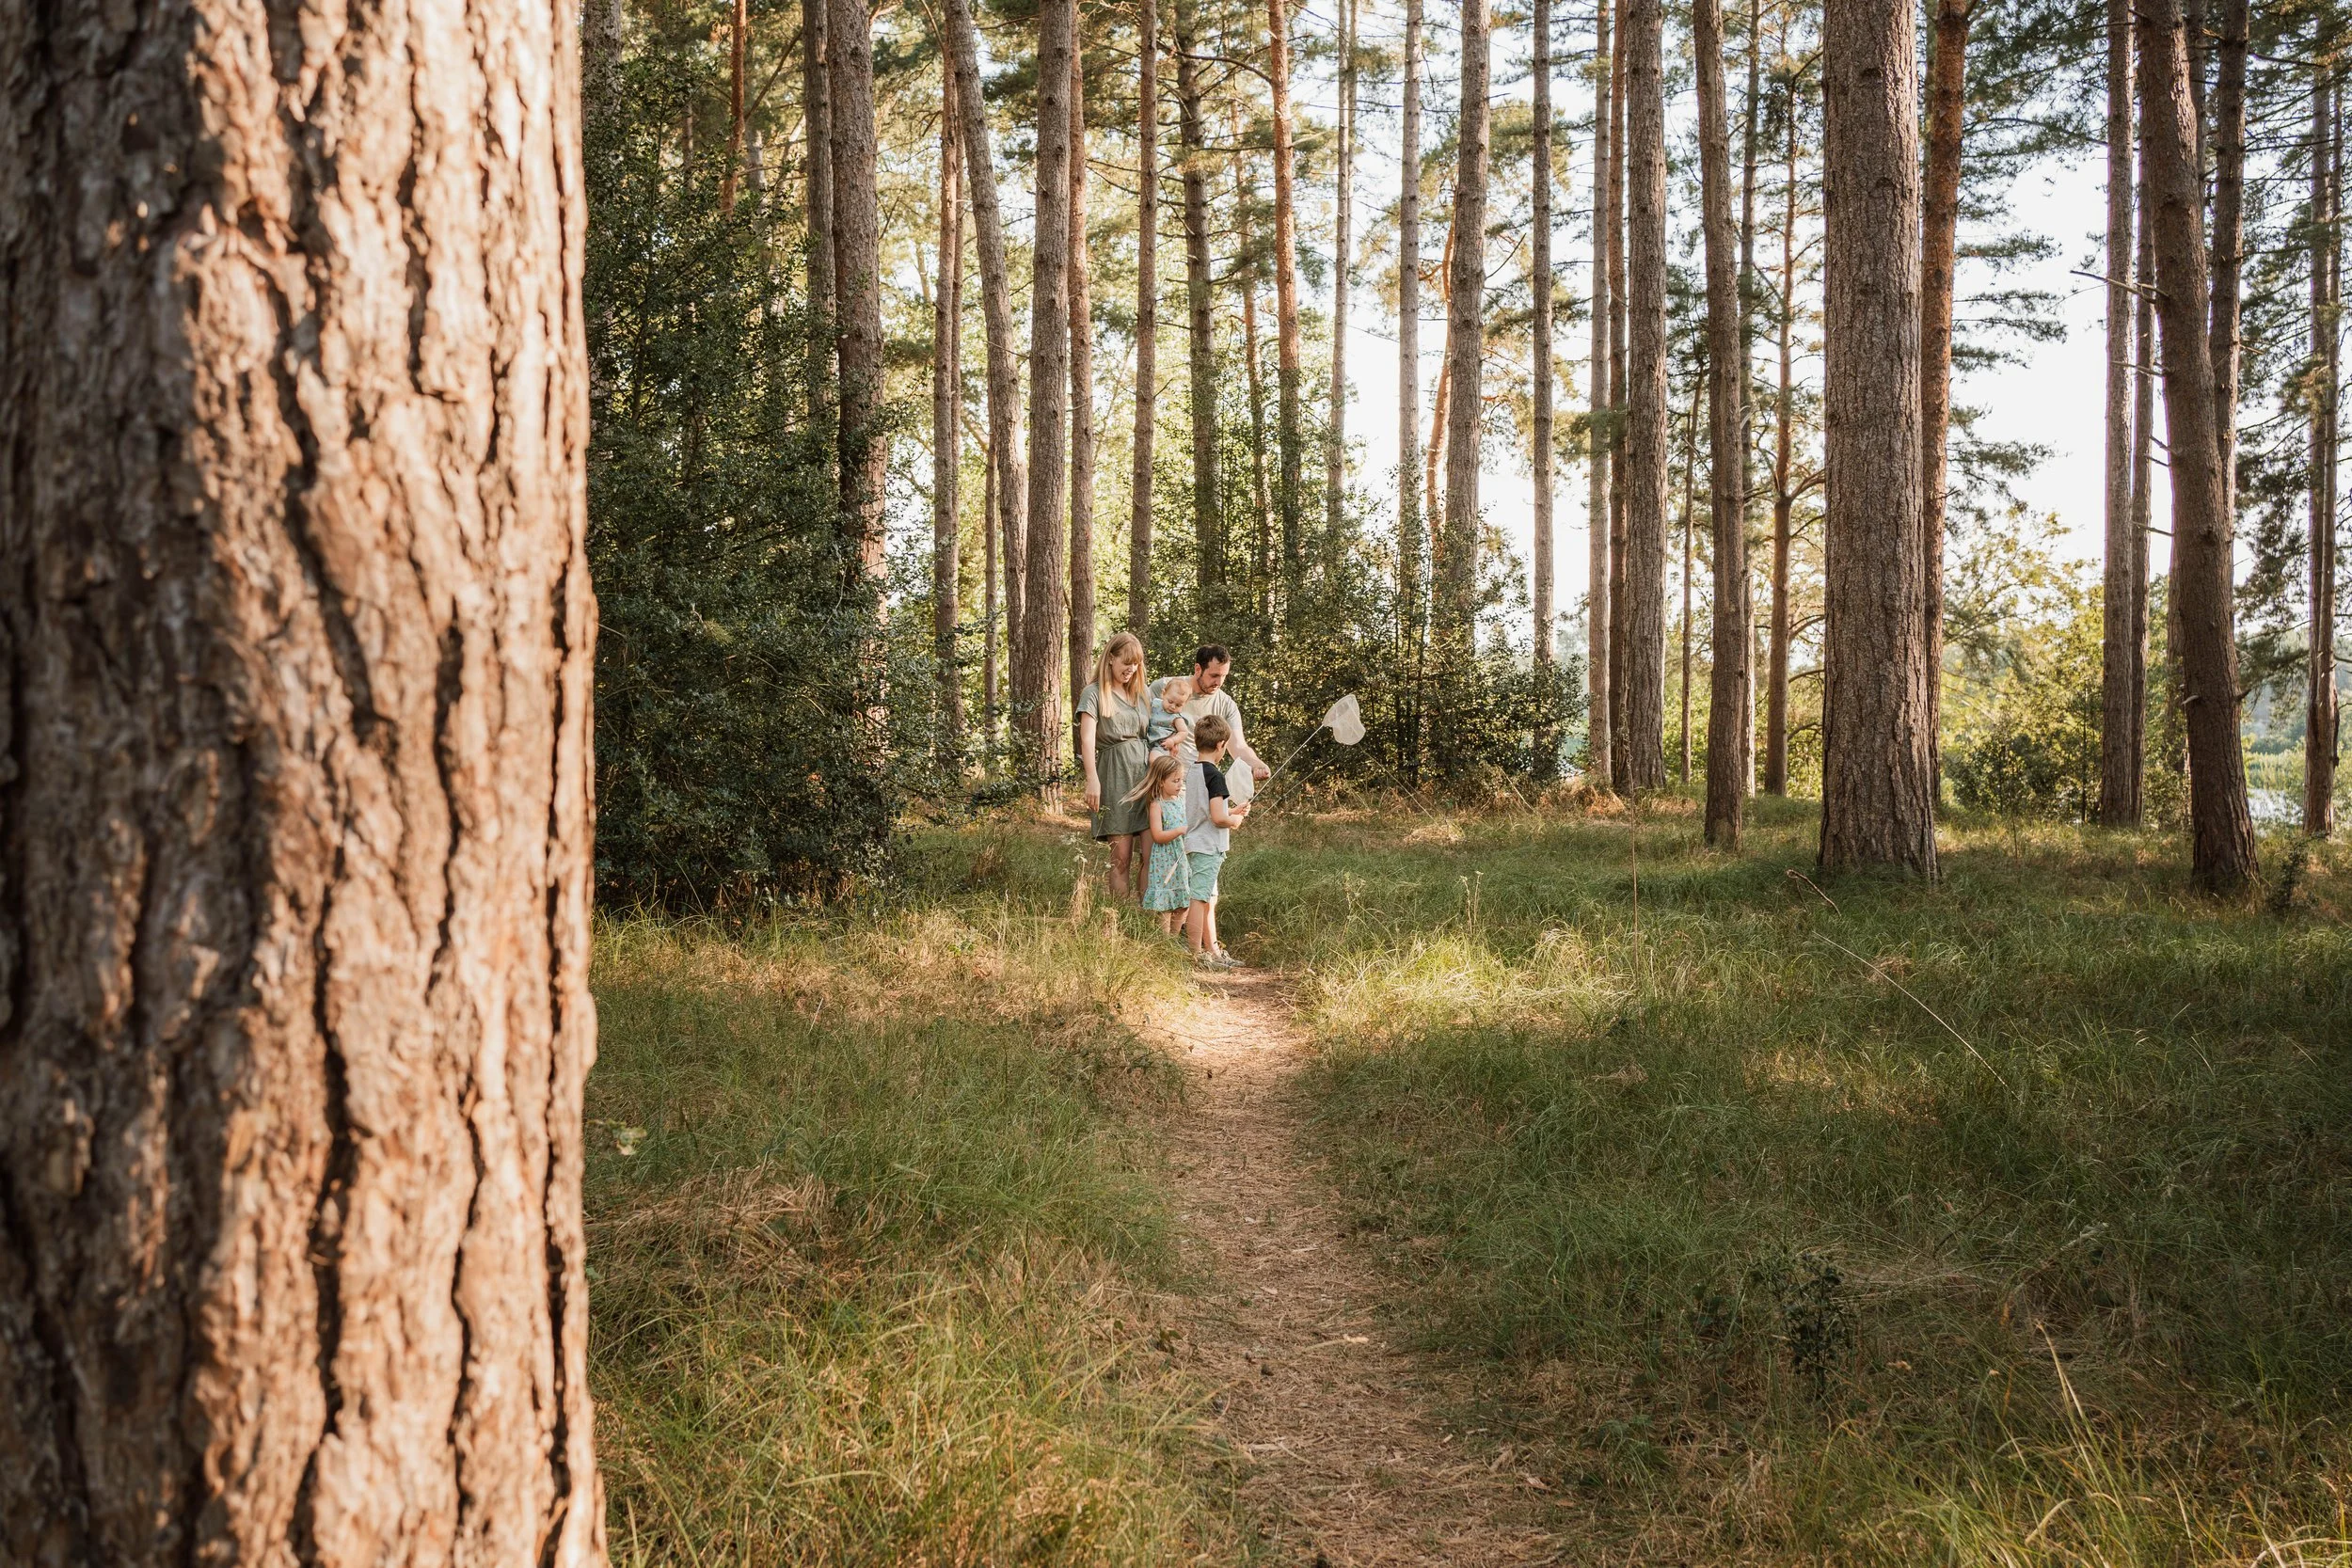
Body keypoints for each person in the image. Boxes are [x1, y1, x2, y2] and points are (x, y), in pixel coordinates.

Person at [1075, 633, 1152, 897]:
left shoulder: (1140, 694)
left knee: (1152, 856)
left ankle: (1149, 924)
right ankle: (1118, 922)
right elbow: (1086, 739)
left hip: (1146, 780)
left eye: (1136, 664)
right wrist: (1091, 779)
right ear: (1110, 659)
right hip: (1115, 776)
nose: (1131, 669)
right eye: (1126, 662)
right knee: (1121, 857)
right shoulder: (1094, 693)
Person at [1152, 644, 1271, 785]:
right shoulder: (1165, 688)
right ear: (1198, 669)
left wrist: (1256, 764)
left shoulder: (1226, 704)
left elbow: (1239, 746)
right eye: (1214, 676)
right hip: (1163, 782)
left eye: (1223, 676)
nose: (1219, 682)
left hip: (1201, 783)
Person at [1184, 714, 1250, 967]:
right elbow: (1216, 818)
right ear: (1222, 744)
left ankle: (1213, 952)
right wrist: (1233, 821)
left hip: (1198, 842)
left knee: (1209, 899)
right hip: (1207, 846)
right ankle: (1195, 954)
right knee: (1200, 898)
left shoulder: (1193, 770)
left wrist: (1231, 811)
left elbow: (1205, 809)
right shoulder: (1215, 776)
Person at [1128, 753, 1192, 933]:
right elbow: (1157, 835)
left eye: (1181, 780)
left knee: (1183, 900)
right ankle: (1163, 941)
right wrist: (1180, 830)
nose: (1180, 784)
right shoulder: (1157, 805)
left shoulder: (1182, 801)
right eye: (1175, 781)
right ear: (1162, 782)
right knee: (1166, 903)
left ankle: (1174, 938)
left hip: (1182, 857)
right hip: (1165, 858)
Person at [1145, 674, 1196, 758]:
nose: (1173, 707)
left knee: (1153, 759)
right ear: (1163, 694)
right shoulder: (1155, 703)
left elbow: (1183, 732)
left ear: (1184, 704)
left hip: (1161, 744)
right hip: (1147, 739)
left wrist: (1173, 740)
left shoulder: (1176, 717)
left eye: (1178, 705)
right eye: (1170, 701)